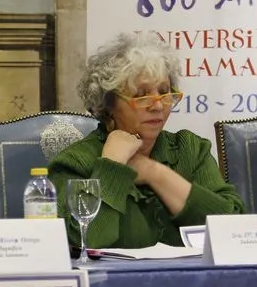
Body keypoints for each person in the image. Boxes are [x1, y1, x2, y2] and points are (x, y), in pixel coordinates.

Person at [49, 33, 243, 249]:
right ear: (108, 104)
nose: (158, 106)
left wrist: (154, 173)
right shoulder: (76, 162)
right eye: (142, 95)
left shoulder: (191, 149)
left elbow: (234, 232)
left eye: (164, 92)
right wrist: (111, 166)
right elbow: (86, 240)